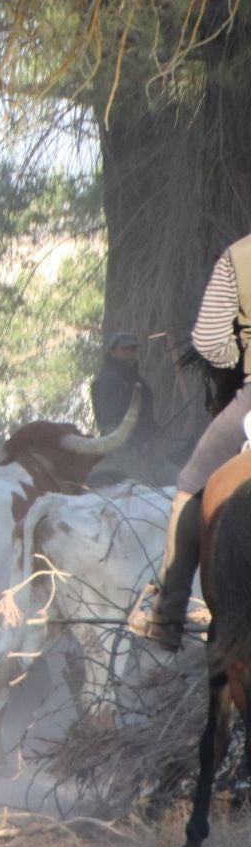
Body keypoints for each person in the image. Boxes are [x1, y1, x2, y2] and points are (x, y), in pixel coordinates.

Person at [131, 242, 251, 650]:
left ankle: (167, 610)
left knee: (192, 481)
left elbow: (209, 341)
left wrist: (240, 356)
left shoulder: (239, 255)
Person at [90, 333, 157, 443]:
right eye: (125, 349)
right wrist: (134, 443)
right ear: (113, 351)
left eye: (133, 348)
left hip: (144, 443)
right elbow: (111, 422)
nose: (130, 352)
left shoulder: (133, 376)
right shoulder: (107, 379)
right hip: (122, 448)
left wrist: (151, 428)